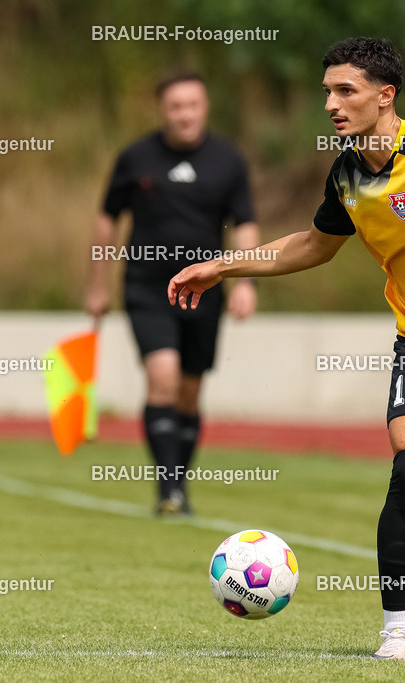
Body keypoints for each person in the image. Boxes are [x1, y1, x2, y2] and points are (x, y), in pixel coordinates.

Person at [168, 37, 405, 658]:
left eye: (345, 91)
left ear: (384, 95)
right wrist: (224, 266)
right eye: (327, 91)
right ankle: (397, 628)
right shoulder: (347, 171)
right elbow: (313, 246)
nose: (332, 104)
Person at [87, 69, 260, 516]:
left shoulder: (228, 161)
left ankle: (178, 484)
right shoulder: (135, 157)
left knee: (189, 391)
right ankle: (169, 491)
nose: (185, 115)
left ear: (205, 108)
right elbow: (107, 219)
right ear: (164, 111)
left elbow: (245, 224)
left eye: (193, 105)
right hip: (147, 288)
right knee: (161, 376)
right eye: (176, 106)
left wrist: (245, 281)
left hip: (205, 292)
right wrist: (97, 284)